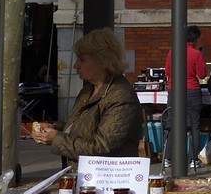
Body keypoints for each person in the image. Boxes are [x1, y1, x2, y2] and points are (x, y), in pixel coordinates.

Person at [31, 29, 143, 159]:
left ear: (103, 61)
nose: (75, 65)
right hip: (86, 173)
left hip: (107, 175)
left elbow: (102, 147)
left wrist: (56, 138)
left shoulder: (121, 97)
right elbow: (82, 128)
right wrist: (54, 128)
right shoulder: (89, 90)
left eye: (82, 60)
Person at [164, 25, 207, 138]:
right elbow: (202, 75)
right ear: (195, 39)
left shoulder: (172, 51)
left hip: (174, 90)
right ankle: (193, 155)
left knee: (171, 124)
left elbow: (168, 71)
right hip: (192, 91)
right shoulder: (197, 53)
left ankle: (168, 154)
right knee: (194, 125)